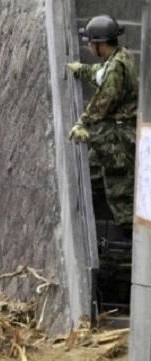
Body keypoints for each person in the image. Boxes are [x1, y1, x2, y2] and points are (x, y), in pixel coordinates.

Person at [67, 14, 138, 232]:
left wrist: (82, 124)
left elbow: (103, 101)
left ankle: (133, 247)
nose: (88, 45)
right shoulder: (120, 57)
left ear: (100, 44)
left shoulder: (116, 67)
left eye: (90, 42)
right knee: (91, 170)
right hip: (115, 132)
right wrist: (82, 70)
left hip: (119, 137)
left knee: (119, 192)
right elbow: (100, 74)